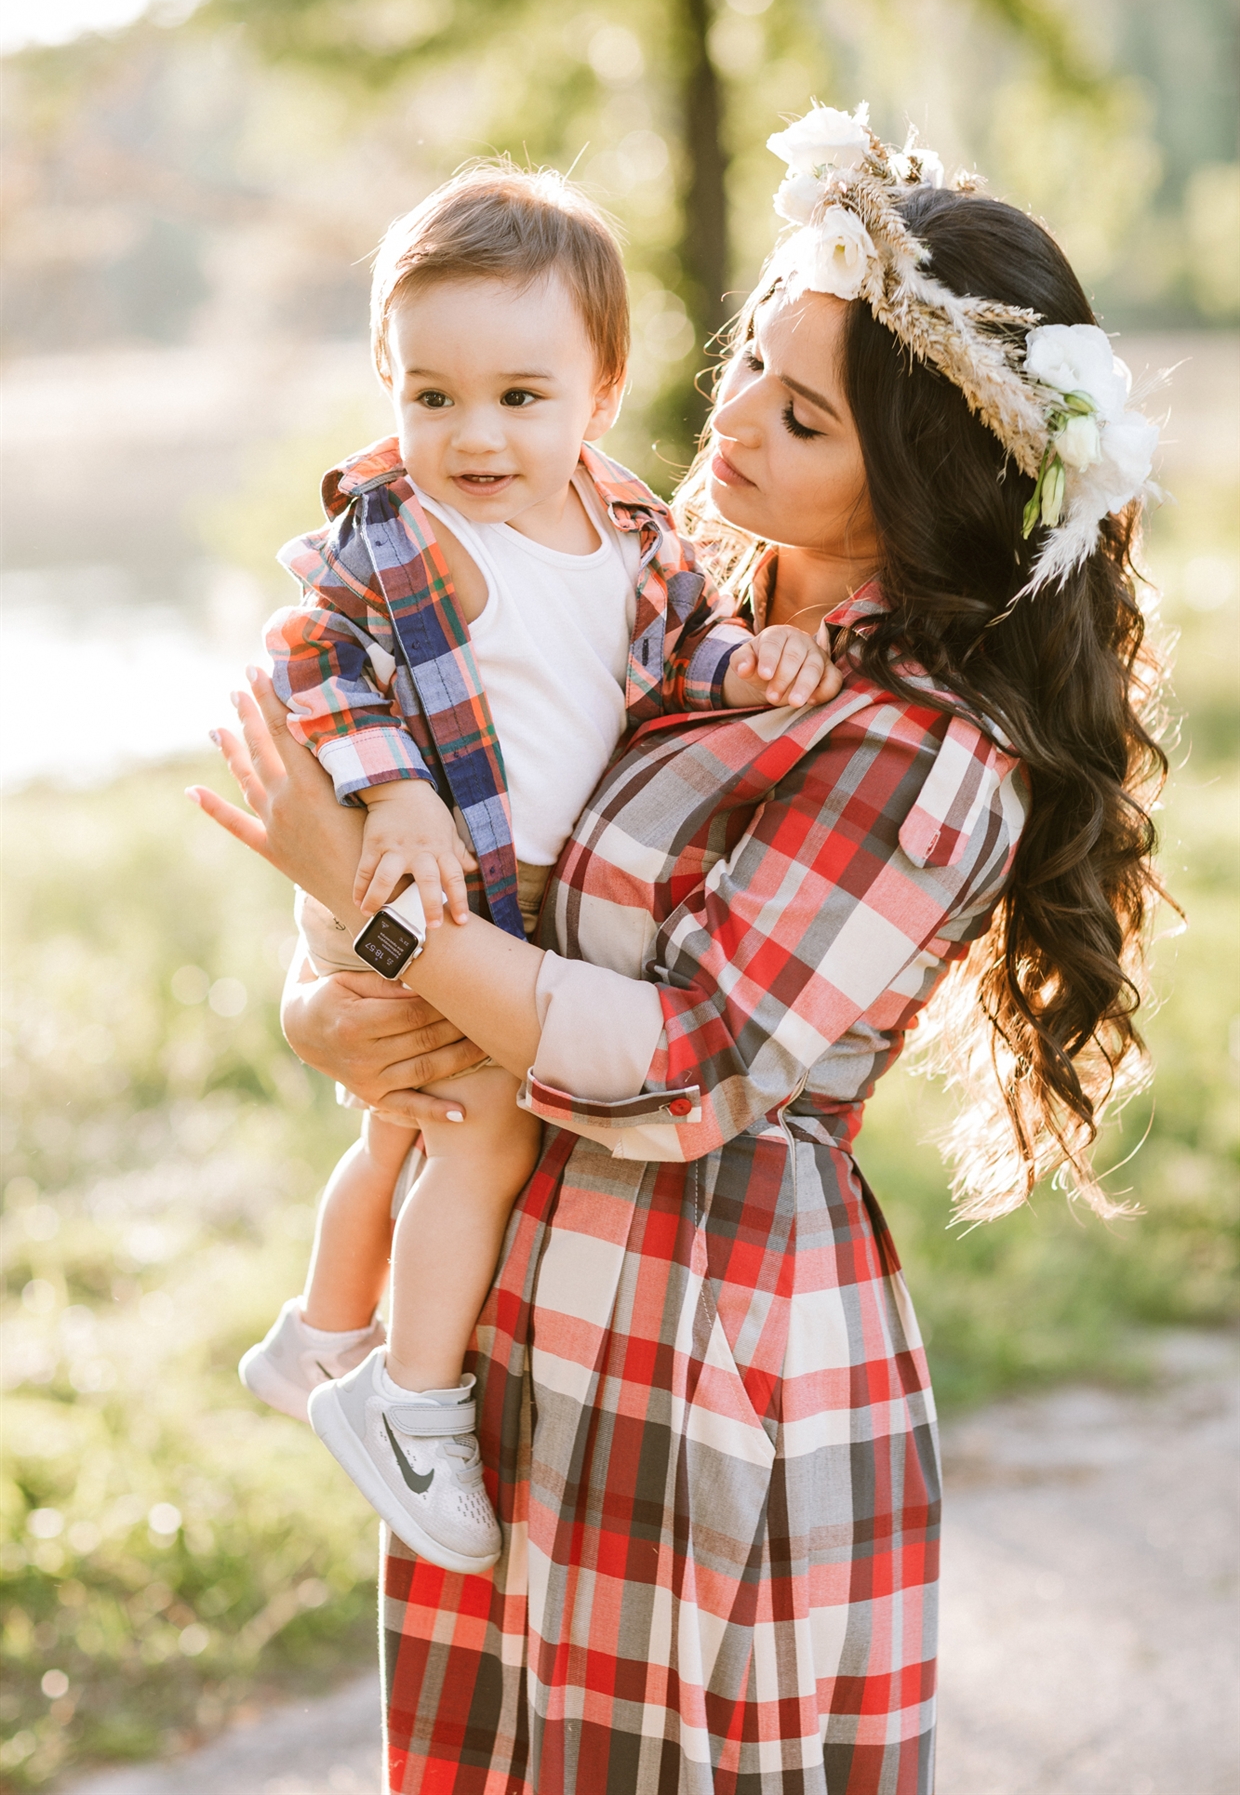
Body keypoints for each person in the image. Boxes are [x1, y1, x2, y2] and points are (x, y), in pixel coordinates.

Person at [193, 107, 1167, 1792]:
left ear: (923, 476)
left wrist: (369, 905)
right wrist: (327, 1008)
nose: (731, 421)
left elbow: (686, 1063)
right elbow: (489, 867)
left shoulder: (923, 751)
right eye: (748, 367)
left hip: (700, 1339)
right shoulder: (677, 602)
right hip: (511, 1314)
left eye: (800, 417)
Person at [235, 163, 841, 1576]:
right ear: (388, 384)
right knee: (486, 1129)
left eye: (520, 396)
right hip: (422, 881)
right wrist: (394, 792)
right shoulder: (407, 532)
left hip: (497, 913)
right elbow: (305, 652)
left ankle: (318, 1334)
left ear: (601, 393)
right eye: (431, 395)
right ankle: (408, 1402)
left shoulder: (632, 533)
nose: (475, 434)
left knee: (404, 1129)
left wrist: (751, 666)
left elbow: (676, 655)